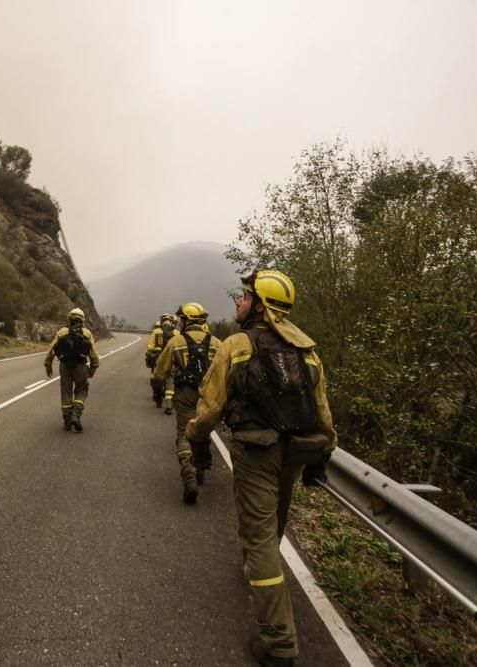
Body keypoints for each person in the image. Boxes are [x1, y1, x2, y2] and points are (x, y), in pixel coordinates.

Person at [185, 270, 336, 667]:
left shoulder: (236, 345)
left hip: (257, 453)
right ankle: (261, 570)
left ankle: (278, 640)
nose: (238, 301)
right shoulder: (307, 350)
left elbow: (211, 407)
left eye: (244, 296)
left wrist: (195, 436)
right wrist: (324, 453)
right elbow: (323, 412)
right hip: (297, 451)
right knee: (275, 522)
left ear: (260, 305)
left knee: (260, 539)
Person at [152, 302, 221, 503]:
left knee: (184, 433)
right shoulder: (218, 343)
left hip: (184, 394)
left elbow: (160, 371)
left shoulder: (176, 341)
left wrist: (157, 385)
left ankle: (188, 472)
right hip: (208, 396)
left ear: (186, 320)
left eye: (181, 319)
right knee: (203, 430)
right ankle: (200, 466)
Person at [45, 307, 100, 432]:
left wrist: (48, 366)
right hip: (80, 367)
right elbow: (94, 355)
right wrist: (92, 369)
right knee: (82, 390)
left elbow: (51, 350)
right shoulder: (86, 333)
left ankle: (67, 420)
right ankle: (76, 414)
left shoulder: (62, 332)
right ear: (82, 320)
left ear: (69, 319)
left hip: (64, 366)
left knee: (66, 392)